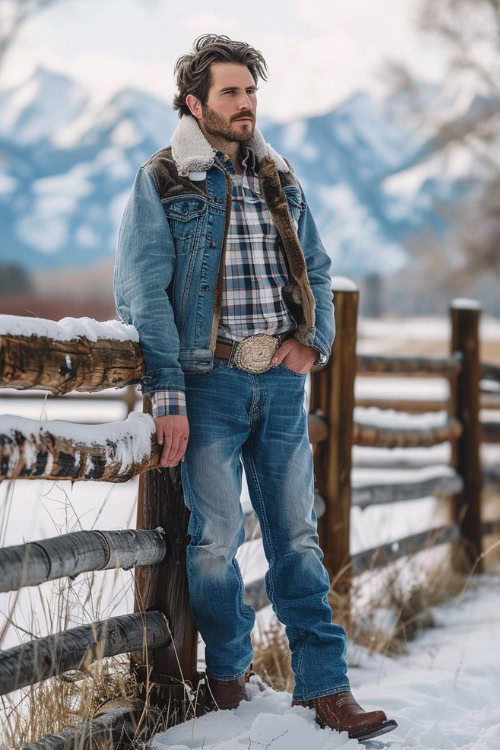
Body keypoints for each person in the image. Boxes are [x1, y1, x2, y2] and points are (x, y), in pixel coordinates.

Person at [114, 34, 397, 742]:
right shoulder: (163, 180)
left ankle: (325, 689)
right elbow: (142, 293)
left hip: (278, 384)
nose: (246, 106)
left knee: (297, 538)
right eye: (231, 93)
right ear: (195, 103)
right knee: (212, 543)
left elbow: (322, 268)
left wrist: (315, 341)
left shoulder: (280, 176)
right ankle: (229, 678)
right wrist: (168, 397)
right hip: (206, 384)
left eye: (251, 92)